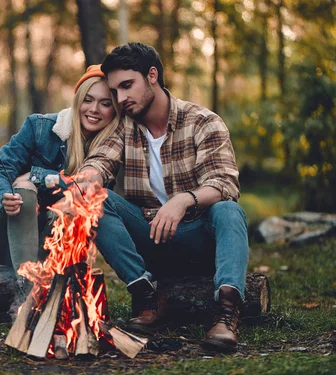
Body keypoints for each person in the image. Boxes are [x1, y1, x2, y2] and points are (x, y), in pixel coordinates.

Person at [78, 42, 249, 352]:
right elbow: (100, 161)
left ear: (152, 75)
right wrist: (87, 179)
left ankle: (226, 312)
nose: (121, 98)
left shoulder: (202, 121)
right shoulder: (125, 127)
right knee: (94, 197)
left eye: (127, 86)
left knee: (229, 210)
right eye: (115, 91)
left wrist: (182, 200)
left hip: (197, 239)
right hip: (150, 241)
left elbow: (224, 182)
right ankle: (146, 294)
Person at [0, 65, 121, 292]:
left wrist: (39, 175)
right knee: (24, 187)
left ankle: (54, 287)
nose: (94, 109)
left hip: (48, 245)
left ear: (114, 109)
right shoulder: (40, 127)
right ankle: (28, 293)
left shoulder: (110, 151)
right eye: (88, 100)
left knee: (78, 200)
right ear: (77, 100)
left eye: (106, 103)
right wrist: (3, 196)